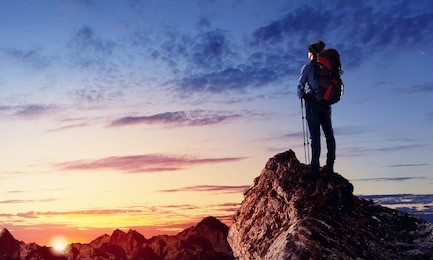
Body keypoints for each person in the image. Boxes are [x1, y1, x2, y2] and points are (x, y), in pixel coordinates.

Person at [297, 40, 336, 175]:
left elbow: (300, 87)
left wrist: (301, 95)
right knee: (329, 134)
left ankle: (314, 168)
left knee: (315, 136)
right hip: (326, 104)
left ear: (312, 53)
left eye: (308, 51)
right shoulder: (329, 67)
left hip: (313, 104)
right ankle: (329, 166)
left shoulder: (308, 67)